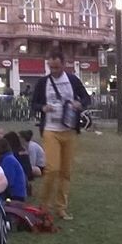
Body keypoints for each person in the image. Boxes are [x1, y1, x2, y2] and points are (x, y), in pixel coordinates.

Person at [31, 49, 92, 220]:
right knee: (52, 169)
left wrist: (79, 104)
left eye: (57, 67)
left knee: (66, 172)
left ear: (64, 64)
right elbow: (34, 103)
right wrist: (43, 107)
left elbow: (87, 98)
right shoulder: (43, 82)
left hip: (69, 130)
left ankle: (61, 207)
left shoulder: (72, 80)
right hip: (51, 130)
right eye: (51, 67)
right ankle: (44, 206)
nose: (54, 70)